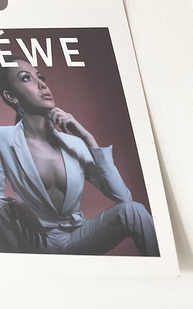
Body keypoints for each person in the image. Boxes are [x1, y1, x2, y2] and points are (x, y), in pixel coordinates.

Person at [0, 57, 159, 256]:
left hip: (77, 236)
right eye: (26, 78)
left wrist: (88, 139)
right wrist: (15, 205)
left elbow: (123, 197)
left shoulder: (75, 144)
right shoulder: (3, 138)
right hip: (35, 241)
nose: (41, 84)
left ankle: (163, 272)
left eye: (40, 77)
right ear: (11, 96)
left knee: (134, 211)